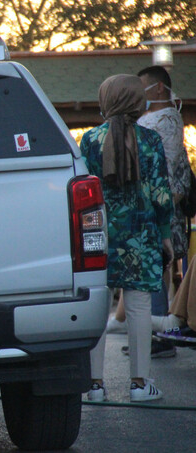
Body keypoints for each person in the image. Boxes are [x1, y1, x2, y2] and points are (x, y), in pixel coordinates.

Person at [80, 74, 173, 402]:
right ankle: (138, 385)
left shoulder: (90, 140)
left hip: (98, 238)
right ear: (136, 101)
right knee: (138, 307)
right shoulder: (150, 140)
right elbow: (162, 195)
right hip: (141, 238)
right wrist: (165, 236)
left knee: (97, 311)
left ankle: (94, 387)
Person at [107, 65, 189, 358]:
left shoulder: (165, 119)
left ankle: (157, 334)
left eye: (142, 89)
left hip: (156, 207)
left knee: (156, 268)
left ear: (157, 89)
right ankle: (151, 330)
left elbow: (161, 168)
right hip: (156, 205)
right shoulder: (156, 120)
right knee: (155, 269)